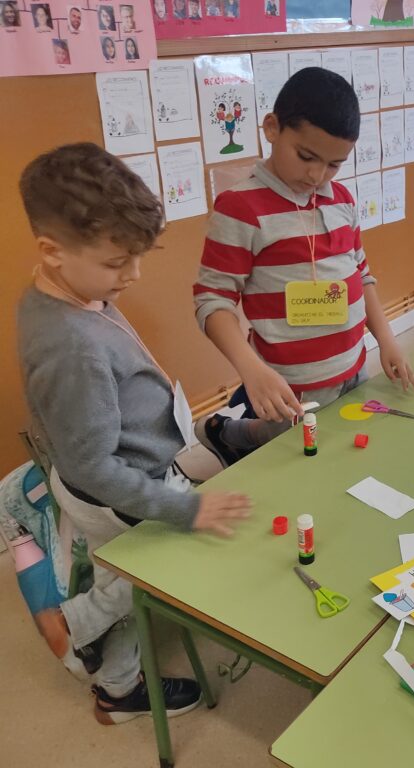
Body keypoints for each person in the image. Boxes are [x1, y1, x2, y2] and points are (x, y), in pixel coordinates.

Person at [17, 144, 252, 723]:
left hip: (117, 470)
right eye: (118, 262)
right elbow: (94, 467)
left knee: (119, 567)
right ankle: (79, 628)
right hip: (116, 488)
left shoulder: (63, 292)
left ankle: (114, 681)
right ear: (52, 251)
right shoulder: (73, 347)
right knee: (142, 573)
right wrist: (186, 510)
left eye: (138, 257)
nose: (135, 274)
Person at [193, 67, 414, 465]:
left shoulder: (342, 199)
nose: (316, 175)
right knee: (289, 457)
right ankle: (226, 434)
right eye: (306, 156)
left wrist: (386, 339)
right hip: (289, 385)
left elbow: (361, 274)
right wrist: (251, 370)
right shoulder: (240, 208)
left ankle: (235, 432)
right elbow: (213, 301)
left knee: (341, 455)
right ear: (272, 128)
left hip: (352, 369)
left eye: (334, 164)